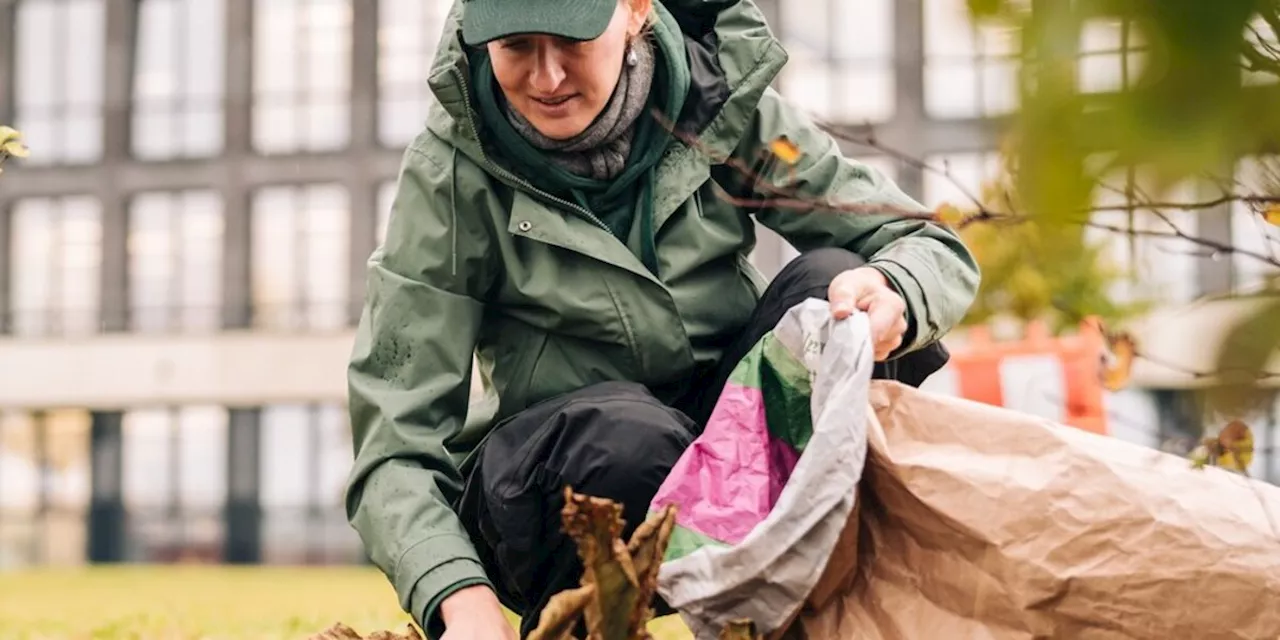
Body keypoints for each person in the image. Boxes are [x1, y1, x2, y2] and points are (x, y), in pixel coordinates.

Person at [344, 0, 980, 637]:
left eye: (572, 40)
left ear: (636, 10)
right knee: (630, 440)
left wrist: (897, 289)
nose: (546, 78)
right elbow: (397, 440)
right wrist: (461, 600)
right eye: (515, 47)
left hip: (733, 448)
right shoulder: (449, 175)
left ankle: (819, 615)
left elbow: (923, 241)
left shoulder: (720, 105)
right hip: (562, 485)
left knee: (829, 293)